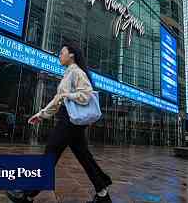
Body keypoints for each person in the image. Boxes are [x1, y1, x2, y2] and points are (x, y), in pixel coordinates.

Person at [7, 42, 112, 203]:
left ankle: (27, 194)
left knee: (51, 153)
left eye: (62, 52)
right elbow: (58, 100)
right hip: (70, 119)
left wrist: (68, 96)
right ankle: (103, 193)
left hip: (69, 120)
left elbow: (86, 94)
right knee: (84, 156)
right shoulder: (68, 73)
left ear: (71, 55)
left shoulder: (76, 72)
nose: (59, 55)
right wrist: (41, 115)